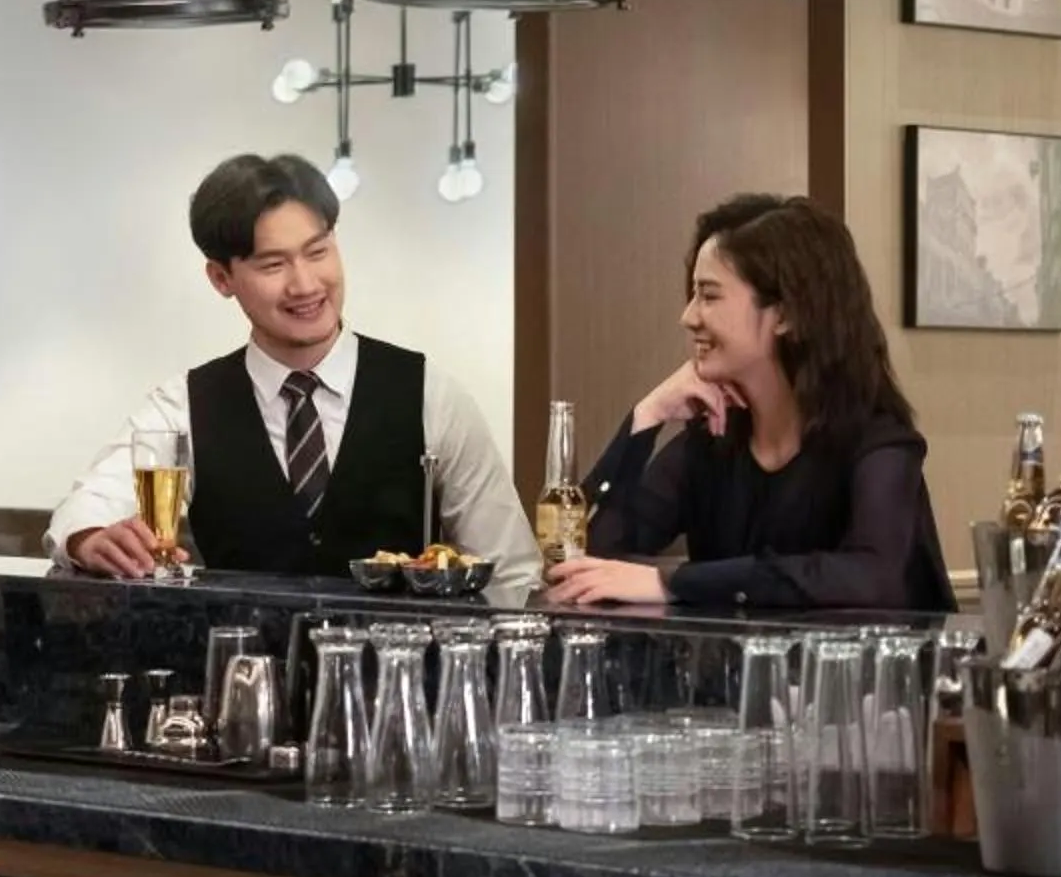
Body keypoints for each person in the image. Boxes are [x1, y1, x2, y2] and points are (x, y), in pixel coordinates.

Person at [49, 152, 539, 602]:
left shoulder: (431, 393)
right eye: (273, 264)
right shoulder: (184, 405)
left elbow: (511, 569)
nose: (305, 284)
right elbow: (83, 508)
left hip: (395, 689)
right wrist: (89, 539)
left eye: (318, 251)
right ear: (222, 279)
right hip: (239, 682)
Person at [545, 193, 953, 612]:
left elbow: (871, 578)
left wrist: (675, 582)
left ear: (787, 315)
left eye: (709, 295)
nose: (688, 316)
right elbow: (583, 558)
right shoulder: (711, 441)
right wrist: (648, 416)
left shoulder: (879, 444)